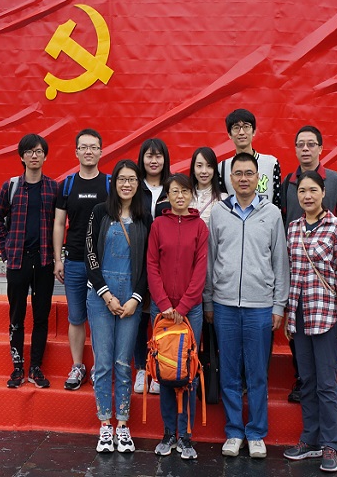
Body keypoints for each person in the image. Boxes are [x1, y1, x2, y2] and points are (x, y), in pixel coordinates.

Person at [204, 152, 289, 459]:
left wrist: (278, 305)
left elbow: (280, 262)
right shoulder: (219, 213)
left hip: (260, 306)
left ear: (258, 178)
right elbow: (210, 259)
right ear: (230, 178)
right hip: (224, 305)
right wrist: (208, 299)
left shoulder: (272, 214)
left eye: (249, 173)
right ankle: (233, 431)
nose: (243, 178)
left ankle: (255, 432)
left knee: (256, 374)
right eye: (238, 173)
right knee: (229, 372)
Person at [283, 170, 337, 473]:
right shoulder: (293, 228)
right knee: (308, 381)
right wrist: (288, 315)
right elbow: (290, 273)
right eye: (302, 191)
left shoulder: (336, 228)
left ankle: (330, 444)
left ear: (324, 193)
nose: (307, 196)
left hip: (326, 316)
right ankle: (309, 439)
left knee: (326, 384)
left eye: (313, 190)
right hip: (299, 316)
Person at [281, 125, 337, 403]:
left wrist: (335, 250)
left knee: (322, 352)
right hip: (295, 266)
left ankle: (320, 386)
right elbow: (283, 218)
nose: (305, 149)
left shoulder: (335, 180)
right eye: (300, 144)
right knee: (296, 330)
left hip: (324, 272)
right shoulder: (288, 182)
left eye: (311, 144)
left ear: (321, 148)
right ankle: (301, 379)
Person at [85, 160, 153, 453]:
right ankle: (104, 424)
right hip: (101, 296)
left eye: (132, 180)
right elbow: (89, 254)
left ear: (138, 184)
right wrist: (106, 295)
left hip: (130, 298)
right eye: (122, 179)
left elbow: (149, 262)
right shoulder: (100, 211)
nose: (127, 184)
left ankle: (123, 425)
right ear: (114, 183)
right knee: (103, 363)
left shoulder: (144, 218)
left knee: (124, 363)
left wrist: (135, 298)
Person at [147, 174, 209, 460]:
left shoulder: (200, 227)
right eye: (175, 191)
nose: (180, 196)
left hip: (190, 310)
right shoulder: (158, 225)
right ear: (168, 196)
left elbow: (200, 271)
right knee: (165, 369)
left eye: (185, 191)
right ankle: (168, 432)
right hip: (161, 310)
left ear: (191, 194)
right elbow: (152, 265)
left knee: (187, 372)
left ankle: (186, 435)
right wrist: (163, 304)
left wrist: (182, 308)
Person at [0, 133, 57, 389]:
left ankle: (36, 368)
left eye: (39, 151)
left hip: (43, 261)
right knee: (16, 316)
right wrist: (7, 249)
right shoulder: (11, 187)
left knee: (41, 317)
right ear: (22, 157)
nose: (34, 156)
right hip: (17, 262)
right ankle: (17, 367)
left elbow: (60, 223)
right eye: (29, 152)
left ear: (45, 156)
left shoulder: (53, 188)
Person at [53, 129, 109, 390]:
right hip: (74, 260)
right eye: (84, 147)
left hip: (103, 263)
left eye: (93, 147)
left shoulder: (109, 184)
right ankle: (78, 365)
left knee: (100, 317)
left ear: (100, 151)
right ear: (76, 152)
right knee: (76, 317)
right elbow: (59, 223)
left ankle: (100, 367)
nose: (88, 151)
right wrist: (58, 259)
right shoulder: (67, 185)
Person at [133, 138, 171, 395]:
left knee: (159, 316)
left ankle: (158, 367)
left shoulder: (173, 187)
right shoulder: (134, 186)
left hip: (165, 264)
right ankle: (140, 368)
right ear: (142, 159)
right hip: (137, 261)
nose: (154, 160)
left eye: (158, 156)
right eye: (149, 155)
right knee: (139, 316)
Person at [218, 109, 281, 207]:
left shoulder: (271, 163)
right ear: (229, 134)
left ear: (254, 131)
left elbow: (278, 202)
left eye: (246, 127)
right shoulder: (222, 167)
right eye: (236, 128)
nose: (241, 132)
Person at [189, 146, 228, 225]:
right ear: (193, 169)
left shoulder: (223, 199)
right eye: (199, 166)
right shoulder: (185, 196)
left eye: (209, 166)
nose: (204, 171)